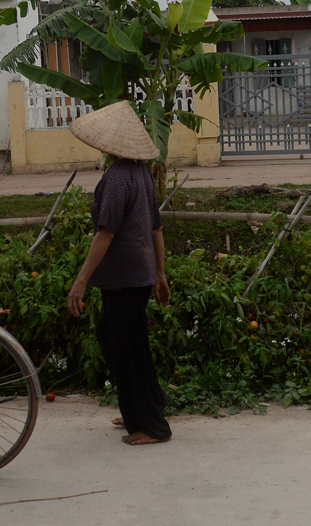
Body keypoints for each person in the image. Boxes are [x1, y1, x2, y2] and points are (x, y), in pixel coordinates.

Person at [65, 101, 173, 445]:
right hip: (135, 277)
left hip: (126, 279)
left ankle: (152, 425)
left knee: (130, 349)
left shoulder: (116, 179)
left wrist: (80, 282)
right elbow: (156, 230)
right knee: (112, 337)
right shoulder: (142, 174)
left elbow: (105, 233)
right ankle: (140, 405)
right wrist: (160, 275)